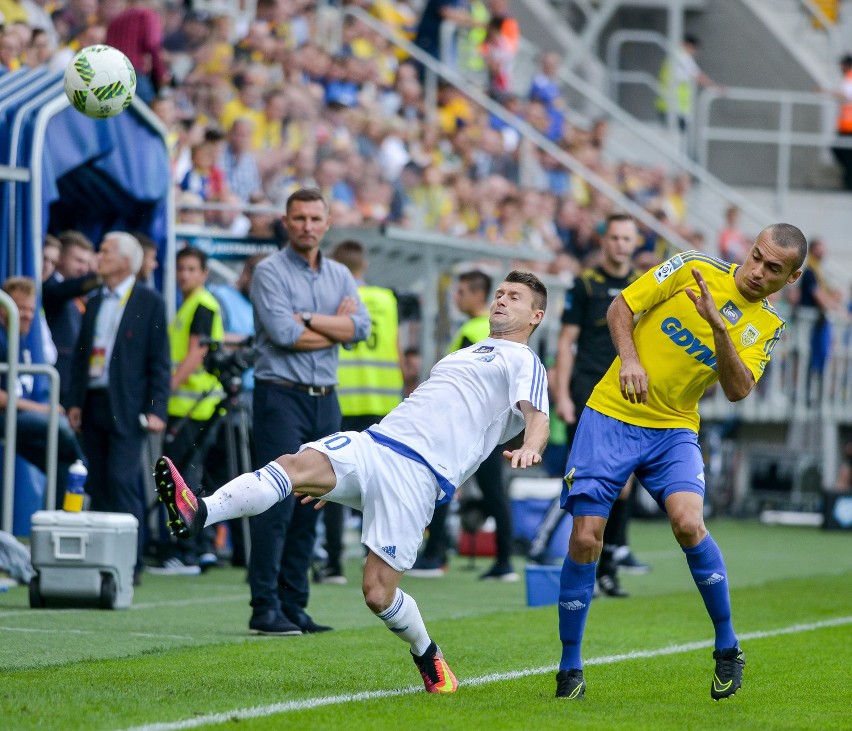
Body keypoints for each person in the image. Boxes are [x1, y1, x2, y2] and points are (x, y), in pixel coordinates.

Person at [154, 269, 550, 693]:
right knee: (294, 465)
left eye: (514, 297)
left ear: (536, 316)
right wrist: (342, 487)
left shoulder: (522, 360)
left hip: (419, 475)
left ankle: (427, 653)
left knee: (377, 594)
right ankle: (200, 512)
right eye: (500, 293)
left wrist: (532, 446)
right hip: (376, 443)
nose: (501, 300)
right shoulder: (464, 352)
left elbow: (538, 416)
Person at [553, 223, 807, 701]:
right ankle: (570, 667)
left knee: (689, 524)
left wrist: (718, 326)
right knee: (587, 537)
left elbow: (737, 390)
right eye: (756, 257)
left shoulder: (768, 326)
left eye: (773, 269)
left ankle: (728, 646)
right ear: (749, 248)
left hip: (673, 429)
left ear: (790, 280)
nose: (757, 271)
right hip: (611, 413)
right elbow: (621, 306)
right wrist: (628, 359)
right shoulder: (693, 266)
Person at [240, 188, 371, 636]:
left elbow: (362, 328)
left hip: (324, 398)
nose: (307, 226)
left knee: (312, 501)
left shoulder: (338, 272)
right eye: (299, 218)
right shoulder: (269, 272)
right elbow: (281, 334)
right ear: (286, 220)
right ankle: (264, 608)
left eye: (315, 218)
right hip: (280, 394)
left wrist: (309, 320)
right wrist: (335, 325)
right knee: (275, 502)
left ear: (328, 222)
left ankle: (294, 605)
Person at [528, 214, 649, 596]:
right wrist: (562, 394)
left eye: (626, 238)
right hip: (588, 387)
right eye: (614, 237)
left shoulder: (644, 285)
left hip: (627, 387)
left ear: (635, 243)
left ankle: (610, 559)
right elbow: (566, 340)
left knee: (625, 481)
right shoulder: (586, 283)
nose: (619, 244)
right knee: (592, 477)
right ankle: (581, 561)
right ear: (604, 241)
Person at [68, 232, 170, 585]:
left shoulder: (149, 301)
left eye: (106, 251)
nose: (100, 256)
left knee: (122, 478)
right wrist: (74, 402)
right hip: (94, 401)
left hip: (127, 405)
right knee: (99, 481)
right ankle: (106, 559)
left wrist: (157, 408)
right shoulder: (94, 301)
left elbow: (160, 360)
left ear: (127, 260)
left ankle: (131, 561)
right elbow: (81, 357)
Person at [409, 270, 517, 581]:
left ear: (476, 295)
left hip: (468, 427)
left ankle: (434, 556)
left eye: (461, 292)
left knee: (443, 484)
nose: (456, 298)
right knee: (494, 493)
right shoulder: (494, 330)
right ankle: (504, 561)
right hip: (488, 425)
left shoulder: (474, 331)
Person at [315, 239, 404, 585]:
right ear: (364, 265)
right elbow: (395, 348)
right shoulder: (385, 299)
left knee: (334, 480)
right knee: (381, 484)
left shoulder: (335, 299)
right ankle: (381, 559)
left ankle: (334, 562)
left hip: (343, 399)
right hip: (384, 402)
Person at [150, 246, 225, 575]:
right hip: (191, 406)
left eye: (191, 269)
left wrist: (165, 393)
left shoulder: (202, 304)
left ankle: (188, 550)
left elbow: (195, 355)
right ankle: (199, 548)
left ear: (204, 273)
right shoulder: (191, 304)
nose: (184, 274)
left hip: (194, 406)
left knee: (181, 479)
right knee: (190, 476)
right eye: (181, 268)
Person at [0, 276, 86, 507]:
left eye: (30, 309)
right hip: (6, 417)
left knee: (62, 464)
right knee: (60, 427)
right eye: (20, 308)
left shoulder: (23, 338)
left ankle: (62, 516)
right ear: (3, 307)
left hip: (18, 417)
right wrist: (42, 408)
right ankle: (84, 469)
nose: (26, 315)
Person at [655, 35, 723, 155]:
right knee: (678, 143)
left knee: (676, 141)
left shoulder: (673, 57)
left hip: (668, 105)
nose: (694, 53)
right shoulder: (681, 57)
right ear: (688, 45)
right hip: (675, 107)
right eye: (694, 49)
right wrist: (716, 88)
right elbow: (697, 76)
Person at [796, 237, 843, 403]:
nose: (823, 251)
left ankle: (812, 396)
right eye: (820, 248)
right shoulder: (810, 271)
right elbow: (818, 295)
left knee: (815, 359)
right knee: (805, 356)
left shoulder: (818, 272)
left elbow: (825, 293)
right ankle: (804, 396)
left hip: (816, 324)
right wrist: (837, 310)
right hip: (807, 323)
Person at [829, 54, 852, 191]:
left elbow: (847, 95)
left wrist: (826, 92)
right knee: (844, 153)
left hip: (849, 126)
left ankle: (848, 184)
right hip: (845, 125)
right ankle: (848, 183)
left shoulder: (850, 78)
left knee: (844, 153)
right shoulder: (847, 78)